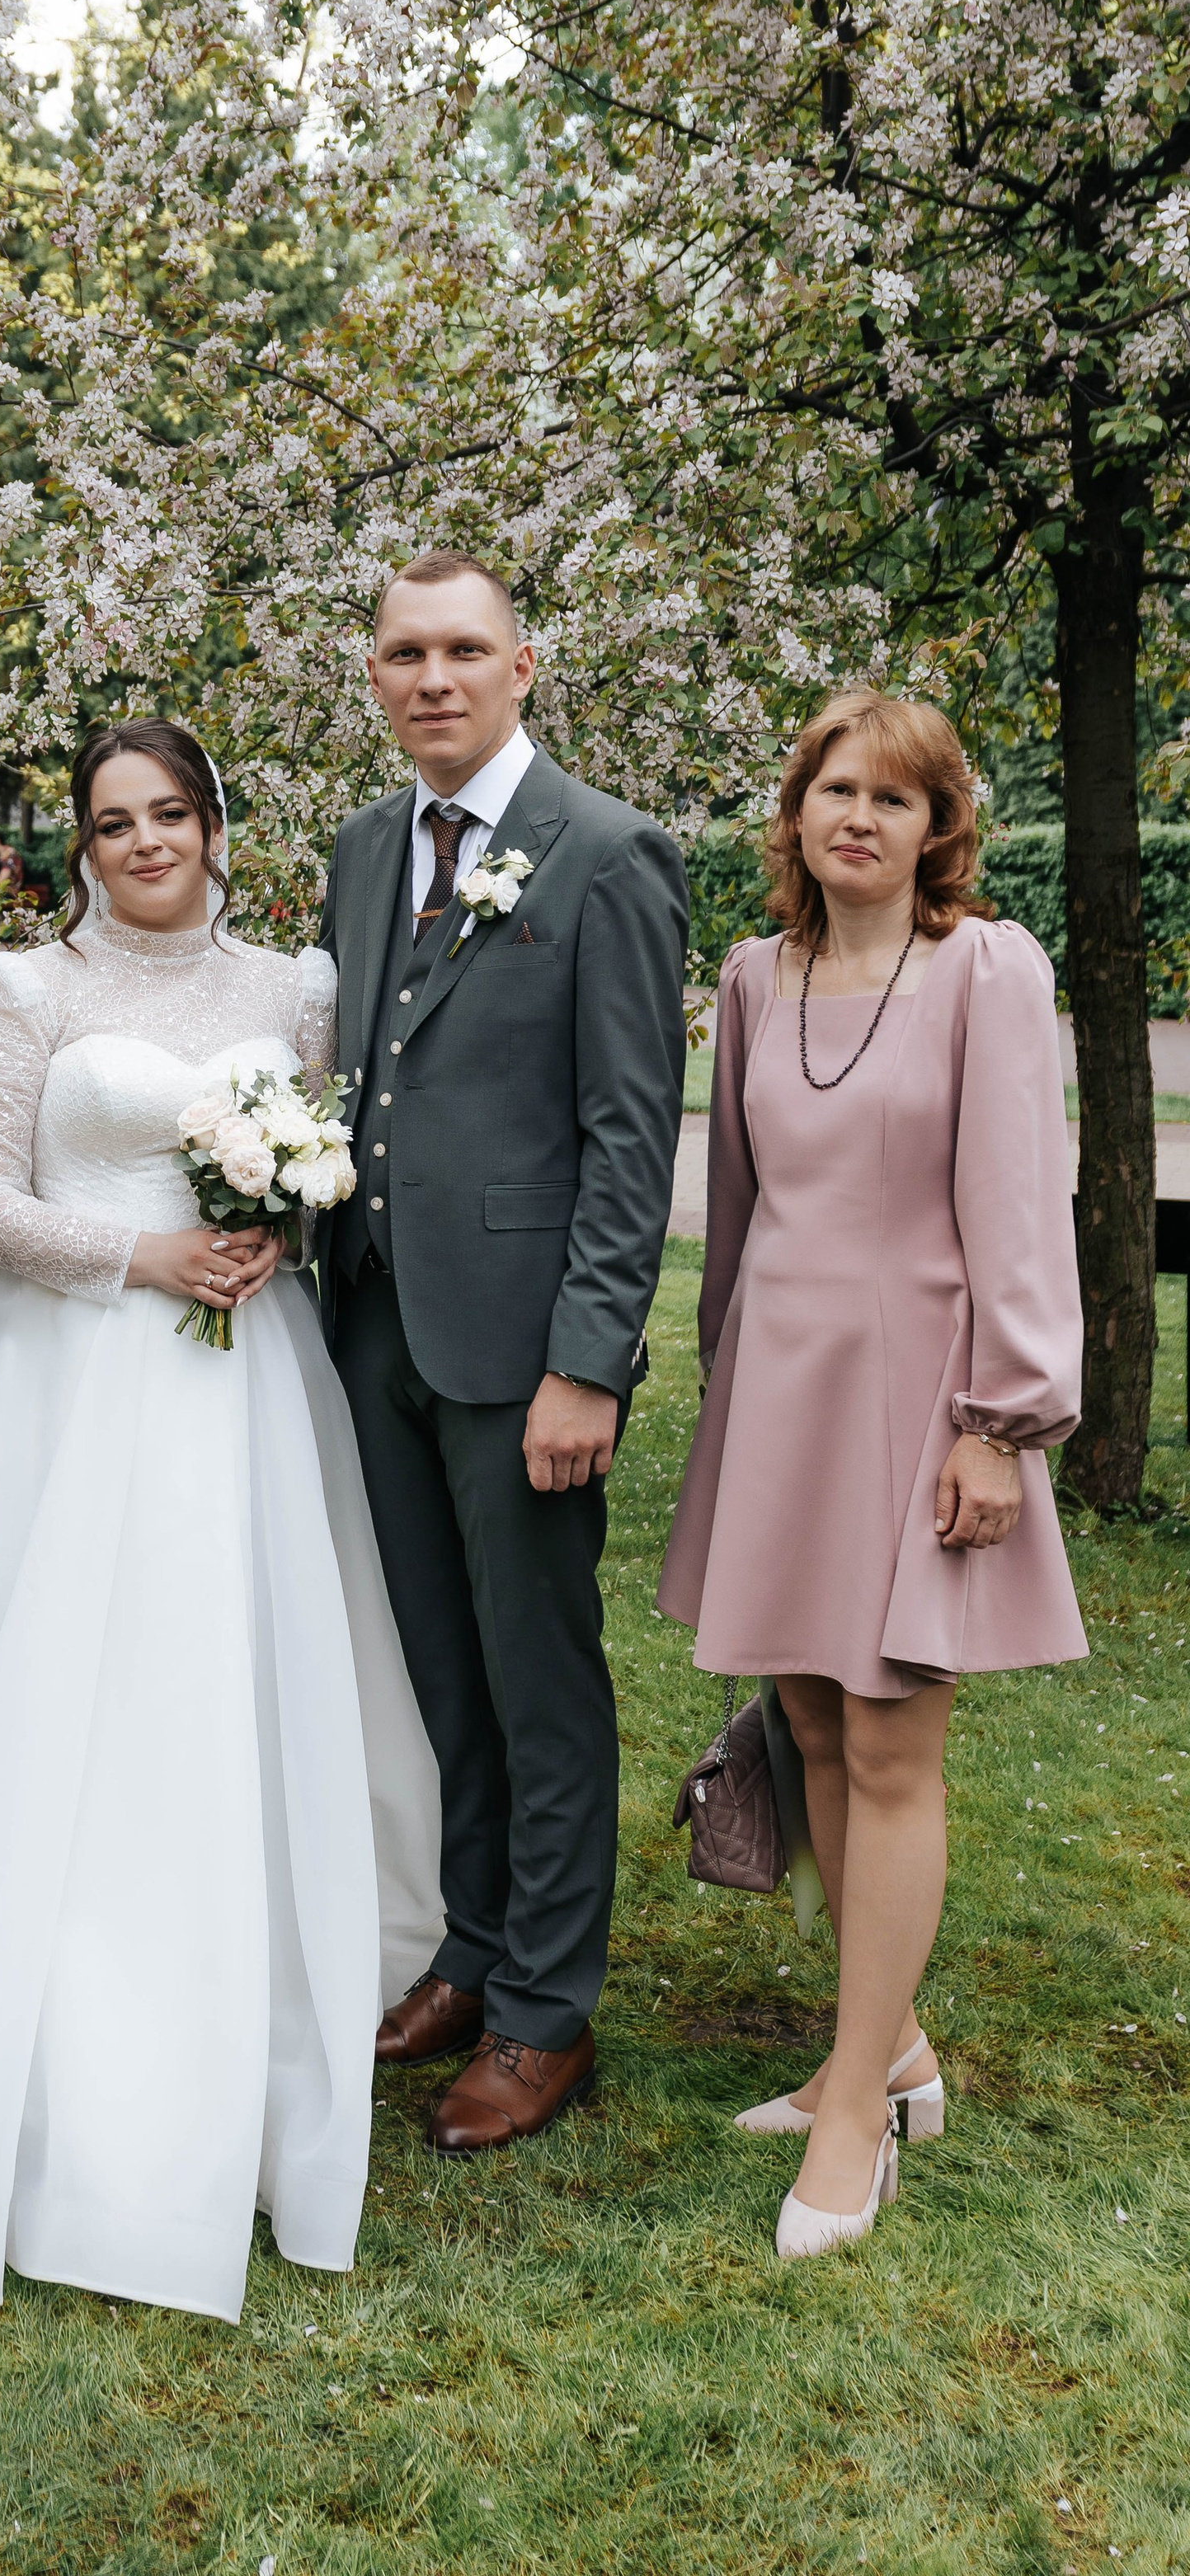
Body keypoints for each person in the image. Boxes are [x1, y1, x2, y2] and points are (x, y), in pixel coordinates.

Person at [0, 719, 442, 2321]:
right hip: (67, 1385)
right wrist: (147, 1259)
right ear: (82, 844)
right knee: (54, 1694)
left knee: (221, 1688)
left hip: (245, 1391)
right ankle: (31, 2033)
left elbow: (317, 1168)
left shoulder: (297, 990)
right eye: (113, 821)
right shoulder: (21, 989)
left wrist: (264, 1235)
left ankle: (239, 2012)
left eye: (170, 813)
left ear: (213, 827)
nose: (144, 843)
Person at [658, 690, 1084, 2259]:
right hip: (784, 1388)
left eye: (895, 799)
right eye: (836, 790)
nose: (860, 818)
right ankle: (885, 2051)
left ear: (937, 828)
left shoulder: (988, 969)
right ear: (797, 814)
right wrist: (727, 1395)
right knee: (813, 1719)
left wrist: (1002, 1423)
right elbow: (739, 1206)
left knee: (893, 1734)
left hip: (924, 1390)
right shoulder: (753, 978)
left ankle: (857, 2119)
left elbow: (1021, 1206)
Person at [319, 552, 689, 2154]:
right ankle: (471, 1953)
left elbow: (630, 1136)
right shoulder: (360, 849)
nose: (433, 678)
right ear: (375, 676)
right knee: (439, 1672)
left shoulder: (607, 853)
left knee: (537, 1681)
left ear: (521, 667)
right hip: (374, 1326)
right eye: (404, 653)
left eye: (463, 650)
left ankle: (546, 2008)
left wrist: (587, 1364)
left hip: (525, 1351)